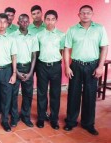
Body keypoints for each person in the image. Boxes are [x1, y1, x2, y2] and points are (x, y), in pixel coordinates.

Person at [63, 5, 108, 135]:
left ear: (92, 14)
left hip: (92, 66)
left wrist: (100, 66)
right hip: (76, 65)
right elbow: (66, 49)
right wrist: (67, 66)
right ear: (79, 15)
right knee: (73, 94)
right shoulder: (72, 30)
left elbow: (104, 47)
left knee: (90, 95)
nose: (85, 15)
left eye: (88, 13)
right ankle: (70, 122)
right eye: (83, 13)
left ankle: (88, 123)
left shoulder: (99, 29)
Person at [36, 10, 64, 130]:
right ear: (44, 20)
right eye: (48, 19)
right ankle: (41, 118)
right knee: (41, 93)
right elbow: (37, 52)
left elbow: (62, 51)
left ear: (56, 20)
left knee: (55, 93)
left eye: (53, 19)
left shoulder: (62, 35)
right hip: (42, 66)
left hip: (56, 66)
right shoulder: (39, 35)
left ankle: (54, 119)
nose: (50, 21)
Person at [10, 14, 38, 128]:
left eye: (27, 21)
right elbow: (11, 55)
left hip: (28, 68)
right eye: (22, 21)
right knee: (14, 94)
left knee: (28, 94)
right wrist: (15, 71)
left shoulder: (33, 37)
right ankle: (14, 117)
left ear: (29, 22)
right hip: (15, 68)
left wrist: (31, 72)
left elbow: (34, 56)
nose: (24, 23)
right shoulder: (12, 36)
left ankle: (26, 117)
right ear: (18, 22)